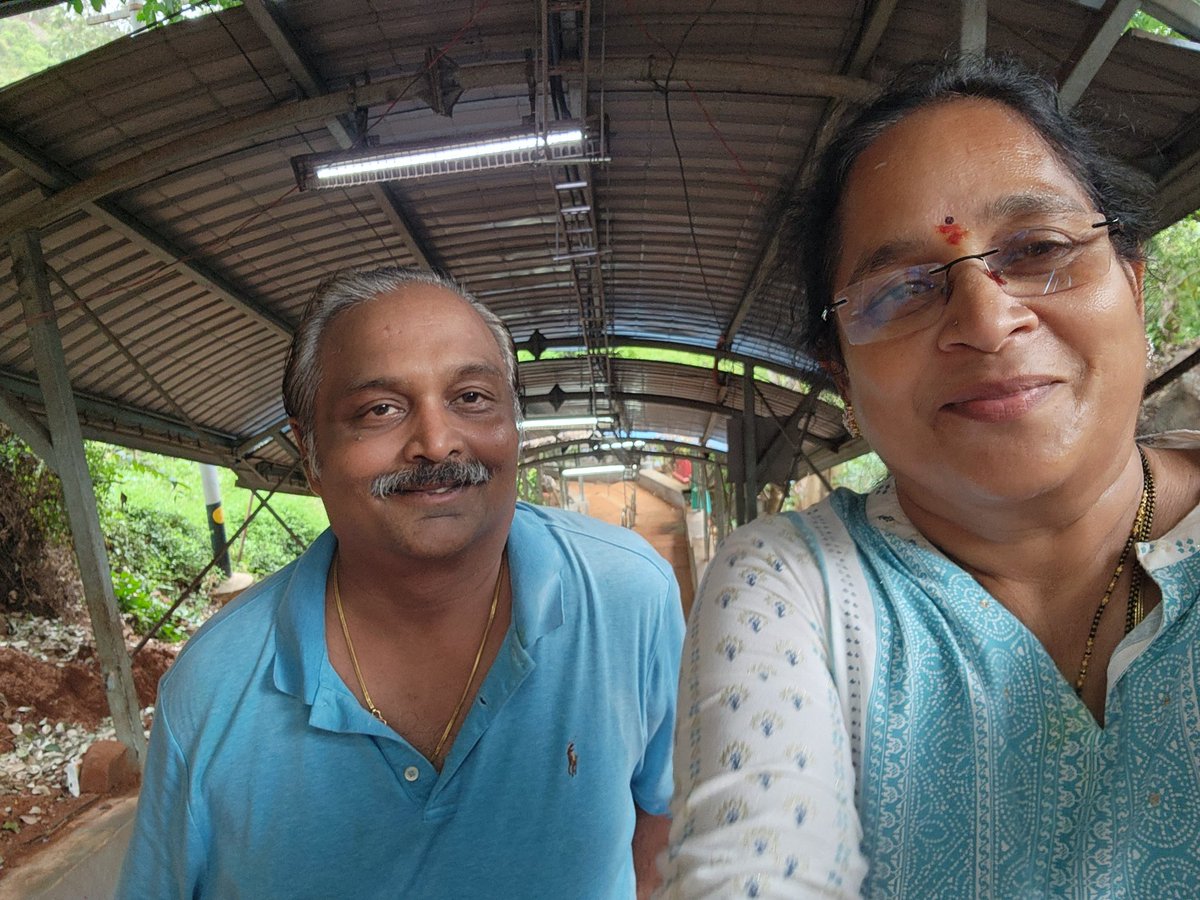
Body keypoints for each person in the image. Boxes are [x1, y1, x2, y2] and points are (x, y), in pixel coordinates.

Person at [659, 55, 1200, 898]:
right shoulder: (798, 589)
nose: (987, 320)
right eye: (902, 290)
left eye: (1039, 249)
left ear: (1132, 285)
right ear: (842, 377)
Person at [118, 267, 684, 898]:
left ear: (513, 424)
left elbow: (662, 814)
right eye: (380, 409)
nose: (437, 443)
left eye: (471, 397)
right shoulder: (213, 688)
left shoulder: (629, 596)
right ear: (309, 452)